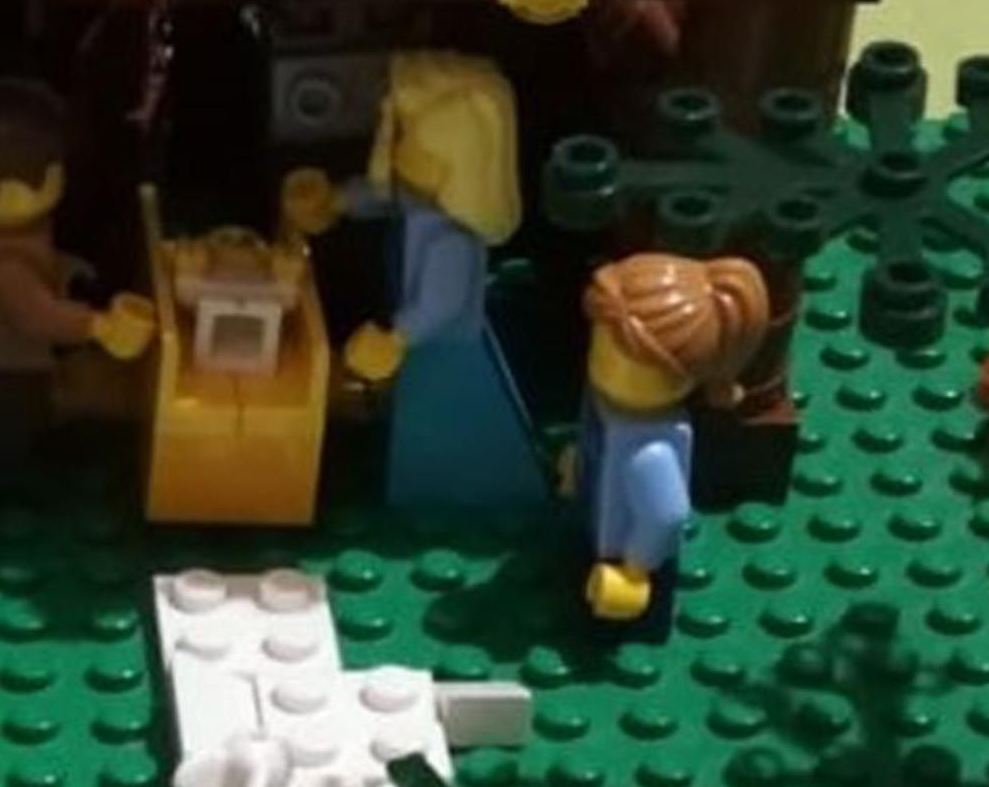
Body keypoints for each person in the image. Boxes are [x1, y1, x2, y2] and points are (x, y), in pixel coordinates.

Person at [291, 54, 546, 515]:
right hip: (423, 345)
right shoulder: (422, 202)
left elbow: (440, 304)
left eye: (408, 146)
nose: (392, 157)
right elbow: (386, 198)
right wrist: (336, 202)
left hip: (445, 353)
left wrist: (397, 338)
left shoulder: (453, 237)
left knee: (439, 427)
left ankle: (444, 497)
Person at [0, 78, 150, 475]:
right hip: (12, 370)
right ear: (14, 191)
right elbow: (36, 315)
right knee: (18, 428)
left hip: (21, 363)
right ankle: (13, 480)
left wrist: (64, 267)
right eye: (55, 173)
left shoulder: (10, 232)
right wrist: (99, 327)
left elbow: (37, 265)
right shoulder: (4, 264)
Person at [573, 252, 774, 633]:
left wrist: (635, 569)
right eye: (602, 346)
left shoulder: (650, 451)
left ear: (682, 378)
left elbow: (665, 514)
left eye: (629, 362)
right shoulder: (606, 409)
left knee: (603, 629)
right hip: (595, 533)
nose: (605, 363)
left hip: (621, 570)